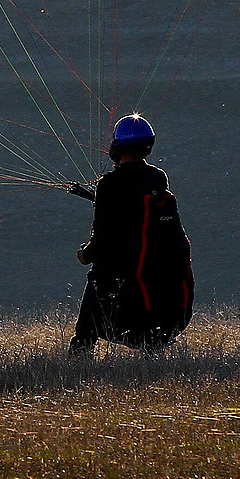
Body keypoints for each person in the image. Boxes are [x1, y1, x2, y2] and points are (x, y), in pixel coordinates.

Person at [67, 113, 191, 355]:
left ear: (117, 145)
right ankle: (152, 351)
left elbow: (103, 239)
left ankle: (80, 354)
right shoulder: (157, 177)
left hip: (120, 282)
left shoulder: (109, 185)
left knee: (93, 294)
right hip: (155, 279)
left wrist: (85, 254)